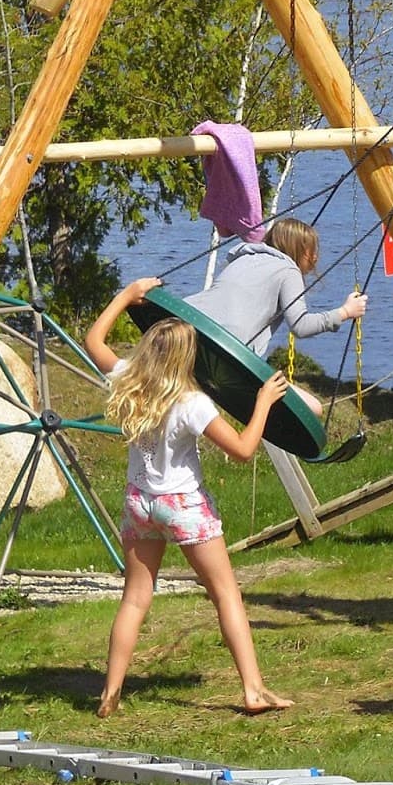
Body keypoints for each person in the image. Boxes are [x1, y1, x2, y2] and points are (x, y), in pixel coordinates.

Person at [85, 276, 294, 718]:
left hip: (139, 503)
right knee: (225, 594)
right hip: (182, 506)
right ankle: (253, 690)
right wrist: (262, 403)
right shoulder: (191, 403)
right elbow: (243, 451)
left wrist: (127, 295)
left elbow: (93, 340)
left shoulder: (126, 381)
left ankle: (110, 693)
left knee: (135, 599)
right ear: (187, 358)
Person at [187, 217, 368, 415]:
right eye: (312, 251)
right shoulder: (289, 270)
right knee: (312, 408)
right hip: (228, 350)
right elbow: (301, 325)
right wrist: (345, 312)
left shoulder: (244, 258)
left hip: (190, 324)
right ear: (299, 250)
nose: (315, 257)